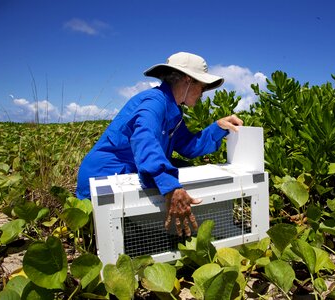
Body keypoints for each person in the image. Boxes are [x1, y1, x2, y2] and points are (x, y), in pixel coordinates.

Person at [76, 52, 243, 236]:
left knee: (182, 167)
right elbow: (143, 139)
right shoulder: (154, 102)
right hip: (103, 179)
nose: (202, 95)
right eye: (202, 88)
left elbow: (189, 146)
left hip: (130, 171)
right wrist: (171, 187)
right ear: (188, 80)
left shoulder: (174, 111)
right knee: (139, 234)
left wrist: (218, 128)